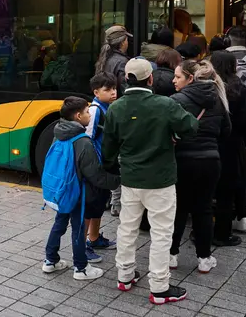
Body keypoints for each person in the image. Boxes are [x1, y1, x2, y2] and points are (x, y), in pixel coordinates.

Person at [102, 58, 198, 305]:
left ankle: (124, 275)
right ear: (151, 79)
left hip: (130, 179)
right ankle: (159, 287)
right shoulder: (165, 104)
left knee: (127, 228)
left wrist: (111, 167)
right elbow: (191, 126)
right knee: (162, 233)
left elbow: (109, 149)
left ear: (126, 79)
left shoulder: (116, 108)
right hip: (160, 179)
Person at [43, 96, 121, 280]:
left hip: (61, 189)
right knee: (78, 229)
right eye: (87, 112)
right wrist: (118, 180)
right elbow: (96, 175)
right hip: (78, 192)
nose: (89, 114)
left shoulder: (59, 133)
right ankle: (81, 268)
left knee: (59, 223)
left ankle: (50, 260)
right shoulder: (83, 141)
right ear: (78, 116)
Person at [169, 60, 231, 274]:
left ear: (190, 78)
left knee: (178, 208)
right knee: (203, 209)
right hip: (210, 161)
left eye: (177, 77)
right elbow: (226, 131)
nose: (173, 80)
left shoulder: (176, 100)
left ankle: (171, 255)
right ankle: (204, 258)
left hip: (181, 161)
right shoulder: (218, 100)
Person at [210, 51, 246, 245]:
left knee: (205, 191)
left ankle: (200, 231)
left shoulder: (206, 87)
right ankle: (222, 233)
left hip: (208, 143)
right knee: (226, 193)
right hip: (232, 145)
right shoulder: (240, 89)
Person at [95, 25, 132, 217]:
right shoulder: (122, 63)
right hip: (118, 113)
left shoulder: (105, 60)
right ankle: (117, 202)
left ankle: (110, 197)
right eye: (127, 39)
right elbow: (126, 90)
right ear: (122, 42)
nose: (128, 42)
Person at [84, 72, 118, 264]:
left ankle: (95, 238)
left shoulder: (109, 106)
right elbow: (87, 138)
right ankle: (83, 246)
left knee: (99, 204)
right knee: (90, 206)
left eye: (114, 88)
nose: (113, 92)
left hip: (106, 165)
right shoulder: (96, 110)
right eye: (108, 90)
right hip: (96, 167)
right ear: (96, 92)